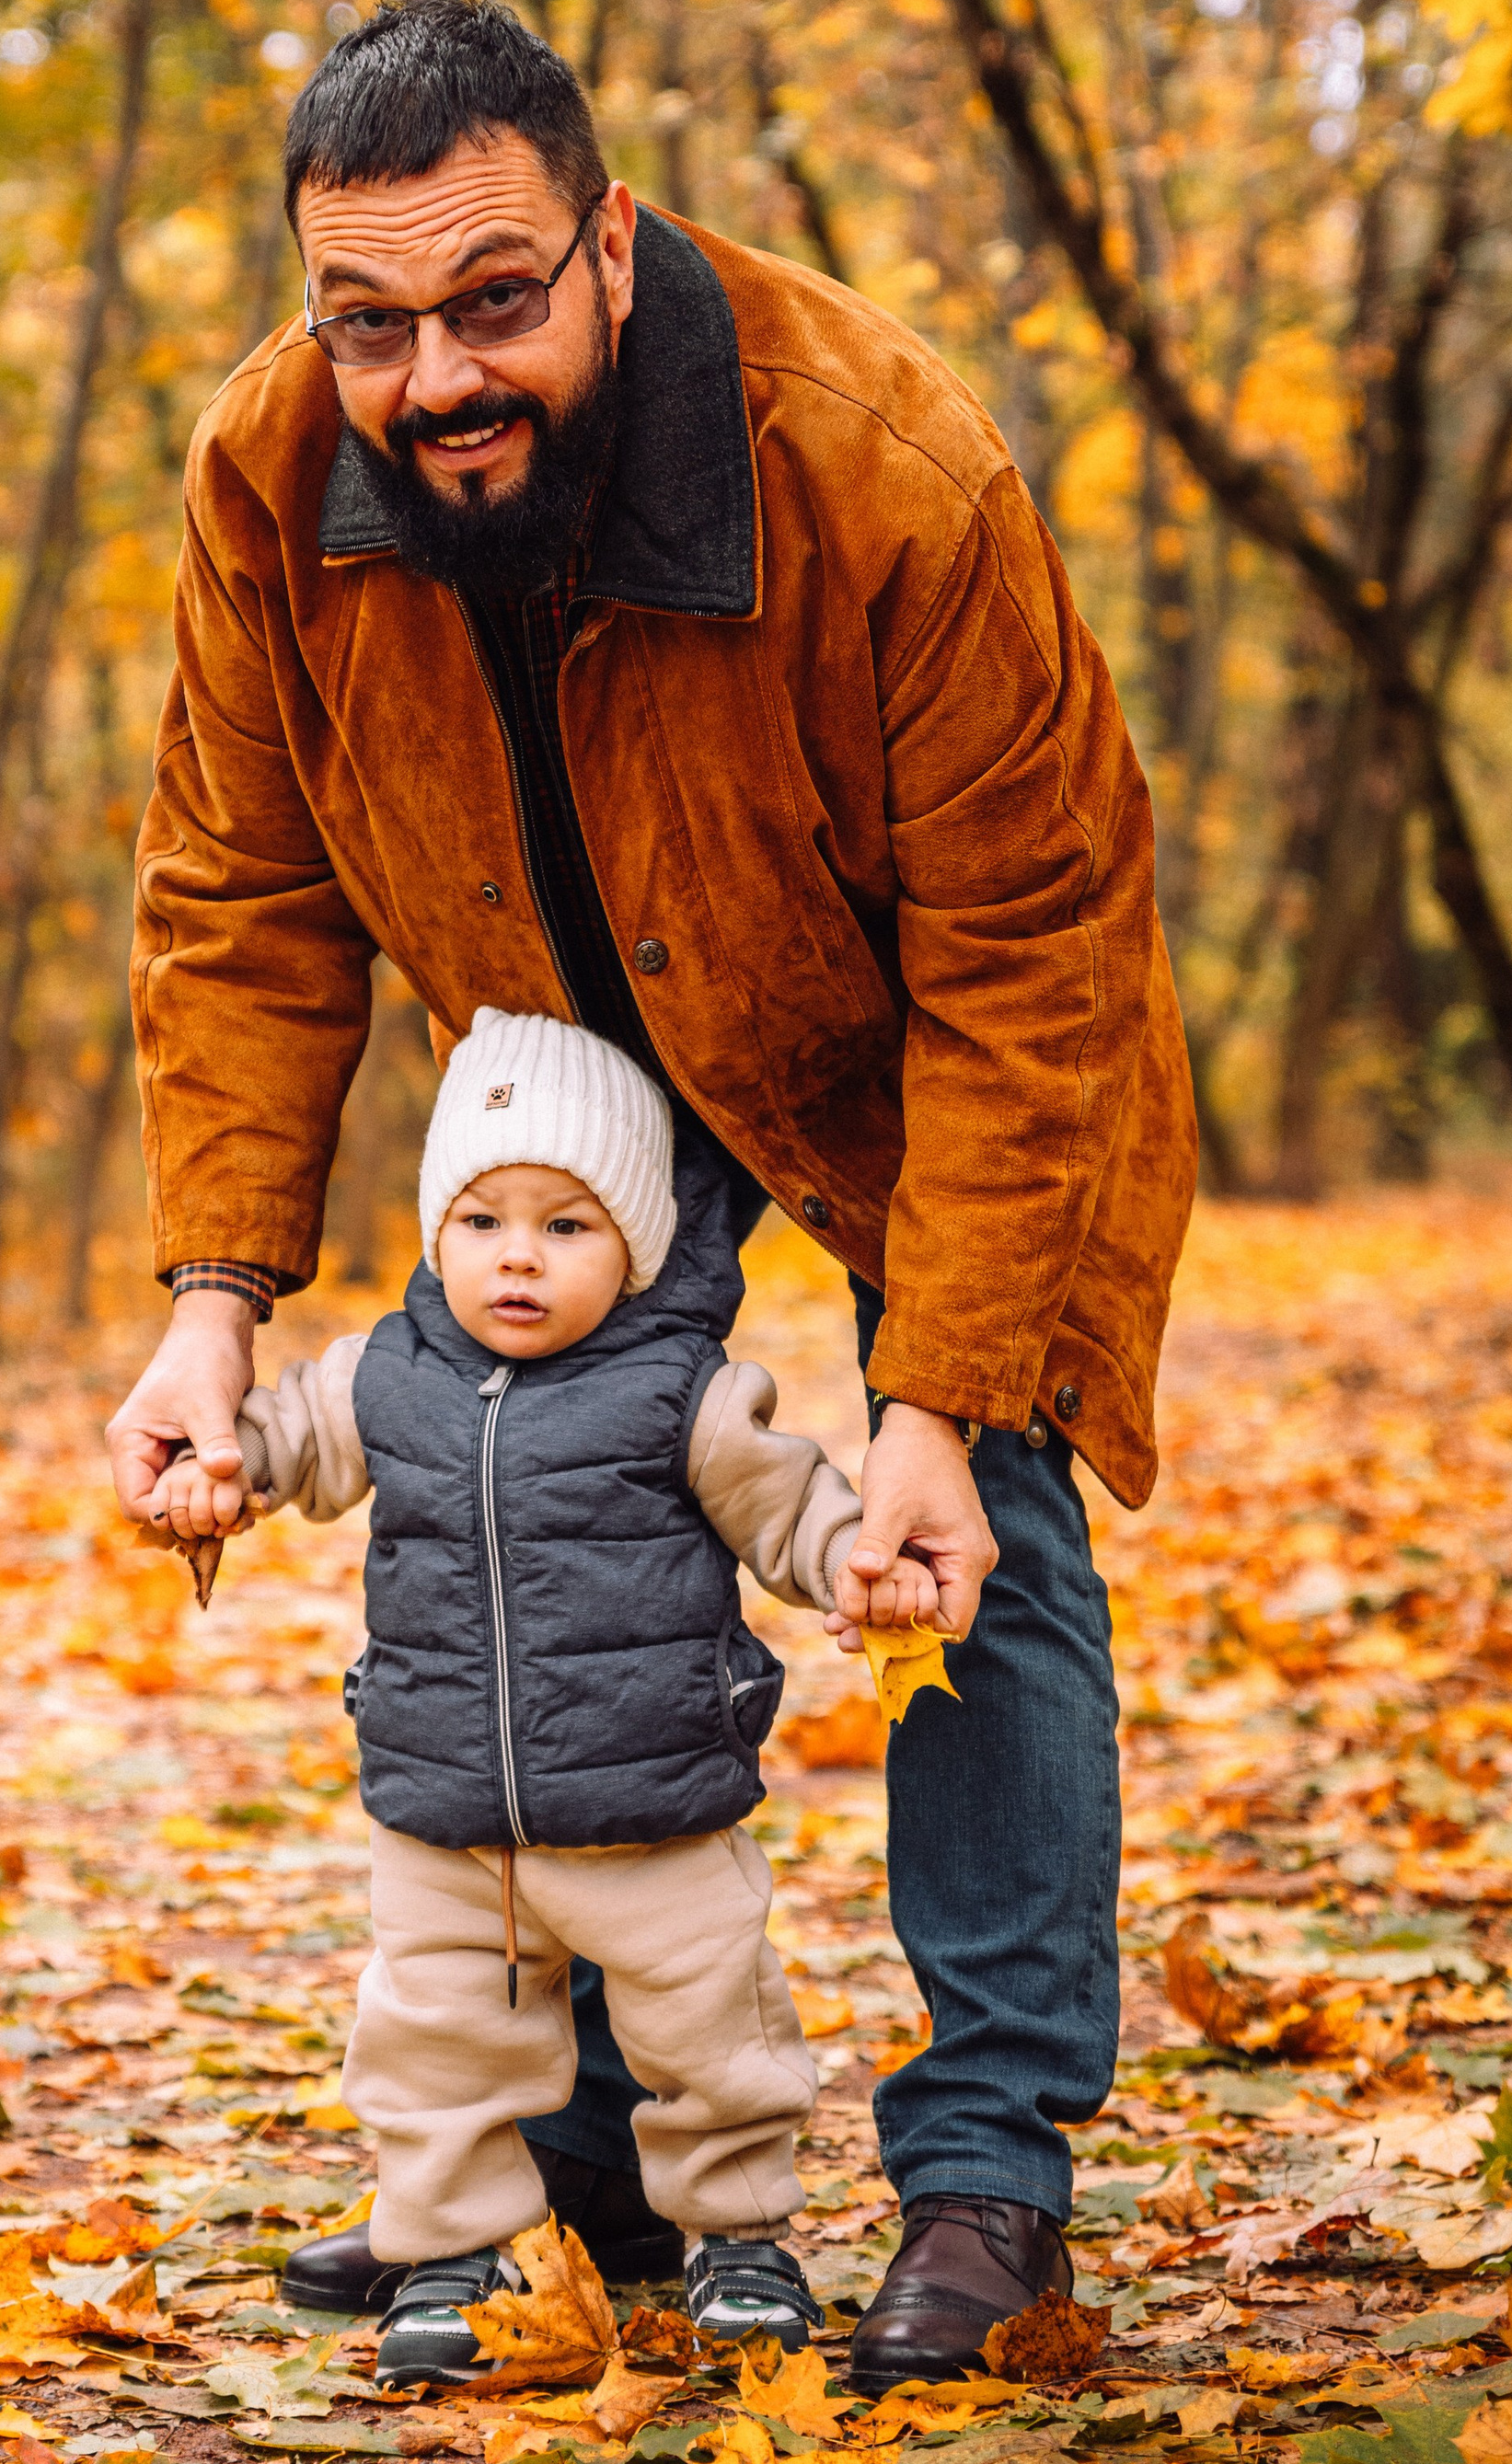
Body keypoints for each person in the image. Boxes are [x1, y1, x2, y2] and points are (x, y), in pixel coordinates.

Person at [107, 0, 1196, 2392]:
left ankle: (992, 2180)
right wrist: (215, 1301)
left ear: (611, 247)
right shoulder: (274, 474)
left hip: (902, 1024)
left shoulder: (883, 461)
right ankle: (576, 2166)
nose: (434, 376)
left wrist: (928, 1393)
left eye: (495, 299)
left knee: (965, 1529)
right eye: (368, 322)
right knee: (544, 1497)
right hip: (549, 1047)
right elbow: (239, 891)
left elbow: (1035, 960)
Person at [145, 1008, 982, 2381]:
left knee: (711, 2029)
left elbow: (795, 1509)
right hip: (443, 1812)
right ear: (436, 1230)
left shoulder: (684, 1393)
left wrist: (858, 1562)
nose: (517, 1254)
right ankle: (454, 2251)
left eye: (566, 1225)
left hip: (655, 1802)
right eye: (480, 1220)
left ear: (640, 1245)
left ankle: (738, 2236)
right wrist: (213, 1472)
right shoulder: (381, 1375)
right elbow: (278, 1444)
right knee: (433, 2043)